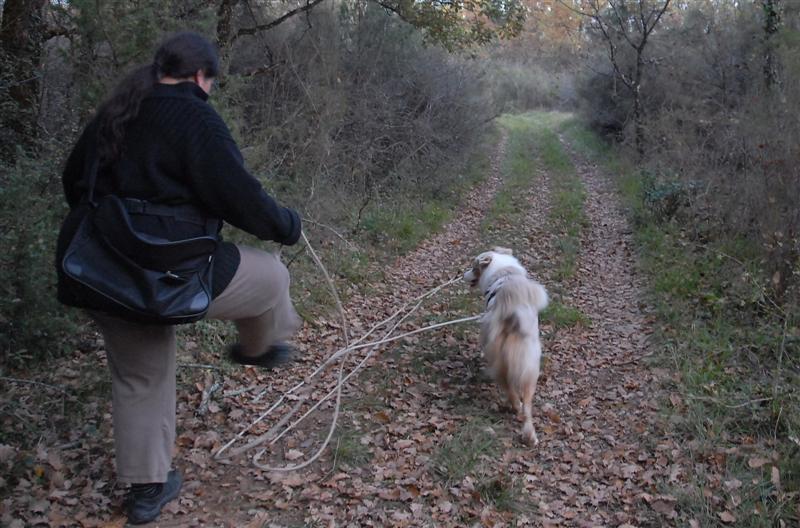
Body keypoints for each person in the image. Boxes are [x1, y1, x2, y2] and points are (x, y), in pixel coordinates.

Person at [55, 32, 302, 525]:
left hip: (99, 273)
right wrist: (287, 226)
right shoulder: (197, 119)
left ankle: (147, 492)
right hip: (173, 273)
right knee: (272, 276)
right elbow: (240, 196)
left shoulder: (114, 113)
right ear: (200, 76)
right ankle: (258, 348)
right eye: (212, 82)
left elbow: (72, 182)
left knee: (140, 376)